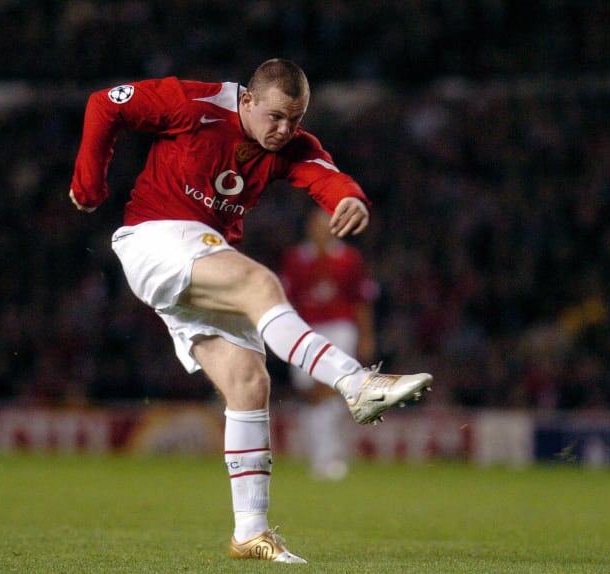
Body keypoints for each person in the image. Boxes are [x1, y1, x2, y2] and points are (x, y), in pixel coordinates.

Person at [69, 58, 432, 564]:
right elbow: (105, 104)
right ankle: (356, 383)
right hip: (155, 237)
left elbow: (326, 176)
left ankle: (251, 534)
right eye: (275, 116)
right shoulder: (192, 103)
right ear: (246, 99)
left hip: (205, 255)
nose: (284, 130)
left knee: (248, 381)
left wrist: (350, 199)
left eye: (295, 120)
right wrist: (88, 185)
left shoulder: (291, 145)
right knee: (261, 283)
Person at [280, 207, 378, 480]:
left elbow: (361, 300)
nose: (321, 231)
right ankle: (325, 454)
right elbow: (286, 301)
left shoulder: (349, 258)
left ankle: (329, 456)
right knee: (311, 392)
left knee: (330, 386)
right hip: (306, 329)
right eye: (316, 226)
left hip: (340, 327)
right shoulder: (295, 259)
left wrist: (366, 336)